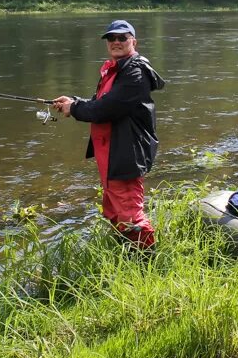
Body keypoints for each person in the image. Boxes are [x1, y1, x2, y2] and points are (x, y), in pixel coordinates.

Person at [53, 20, 165, 249]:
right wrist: (74, 102)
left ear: (134, 41)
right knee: (114, 207)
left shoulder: (135, 72)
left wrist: (74, 109)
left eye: (122, 38)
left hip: (126, 153)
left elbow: (108, 108)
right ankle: (125, 253)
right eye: (111, 38)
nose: (116, 42)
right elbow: (100, 103)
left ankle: (146, 265)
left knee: (130, 212)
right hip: (112, 152)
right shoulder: (115, 70)